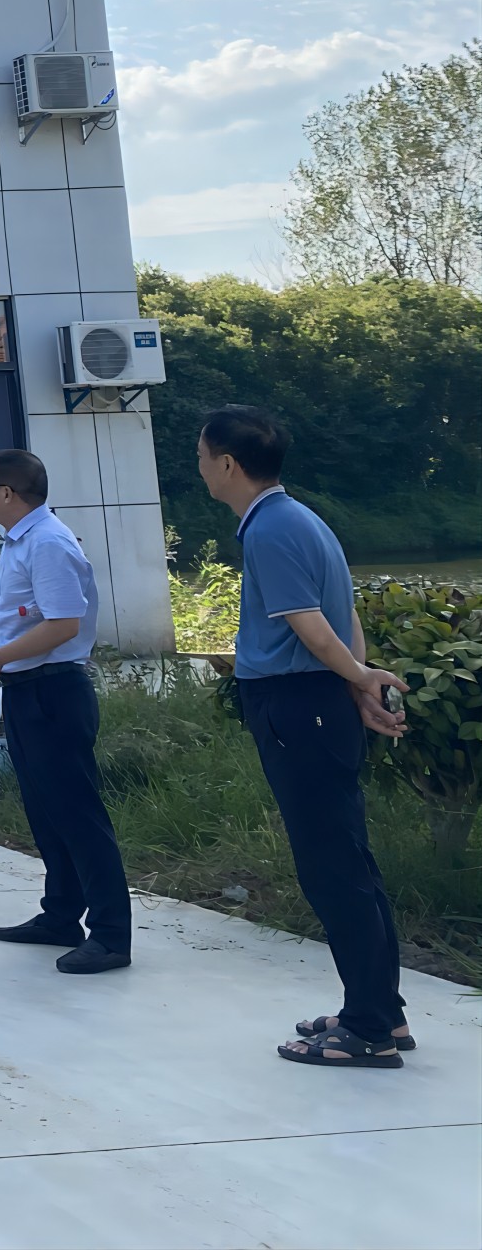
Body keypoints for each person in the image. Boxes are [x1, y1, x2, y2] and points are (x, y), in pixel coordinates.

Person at [197, 405, 412, 1069]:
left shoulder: (270, 529)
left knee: (331, 869)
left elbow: (311, 627)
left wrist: (357, 677)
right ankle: (380, 1010)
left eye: (202, 457)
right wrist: (356, 685)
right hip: (316, 701)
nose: (199, 468)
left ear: (226, 463)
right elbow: (342, 616)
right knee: (347, 861)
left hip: (296, 706)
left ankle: (368, 1030)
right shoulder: (299, 518)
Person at [0, 448, 130, 974]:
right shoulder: (21, 540)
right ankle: (60, 916)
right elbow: (29, 611)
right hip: (27, 689)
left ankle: (111, 935)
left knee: (77, 814)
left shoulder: (49, 542)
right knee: (46, 811)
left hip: (54, 691)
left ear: (7, 493)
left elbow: (64, 624)